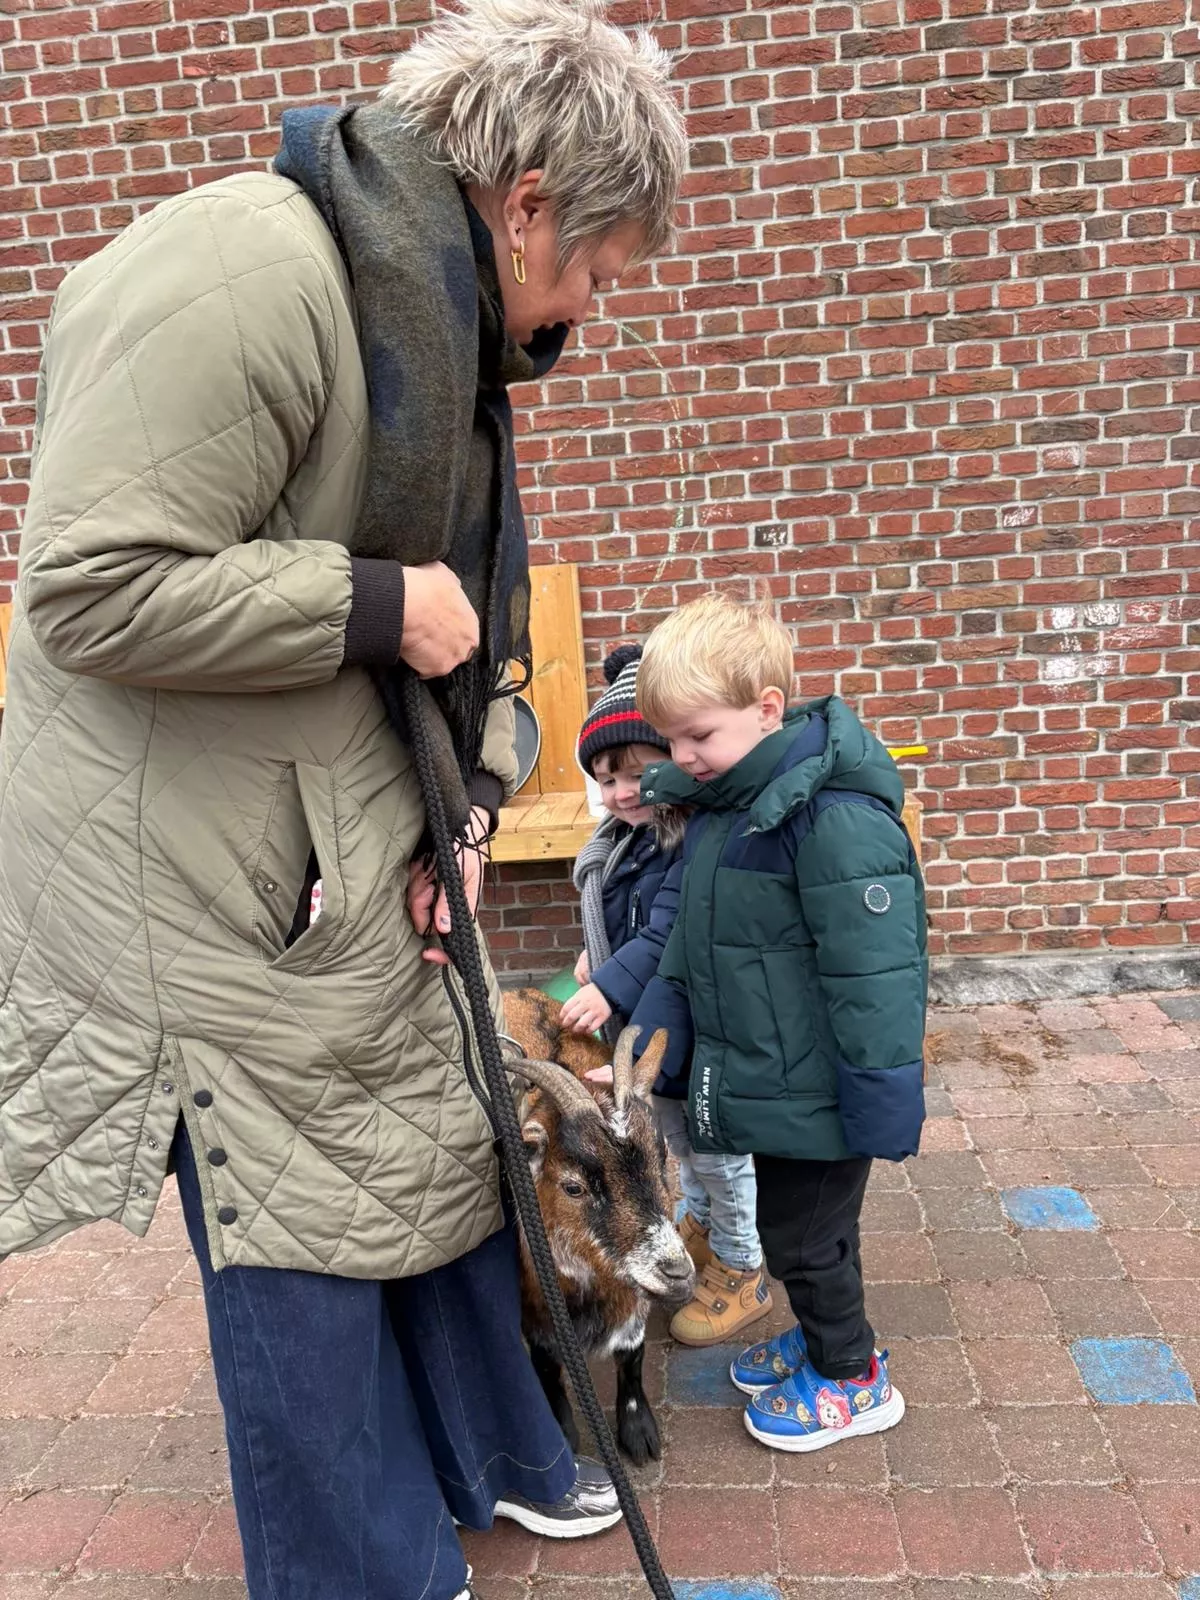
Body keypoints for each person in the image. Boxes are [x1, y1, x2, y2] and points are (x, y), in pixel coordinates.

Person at [0, 2, 686, 1595]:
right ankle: (355, 1567)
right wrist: (377, 604)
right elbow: (89, 589)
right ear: (527, 205)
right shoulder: (241, 274)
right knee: (298, 1217)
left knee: (431, 1132)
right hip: (190, 864)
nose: (589, 312)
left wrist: (469, 809)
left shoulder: (426, 323)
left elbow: (474, 637)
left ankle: (487, 1459)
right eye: (595, 269)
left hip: (332, 819)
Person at [630, 592, 927, 1453]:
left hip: (825, 1092)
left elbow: (877, 977)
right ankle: (828, 1338)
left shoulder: (833, 821)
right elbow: (692, 946)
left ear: (766, 710)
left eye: (698, 736)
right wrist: (654, 1037)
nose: (682, 758)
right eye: (670, 741)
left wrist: (881, 1098)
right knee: (798, 1232)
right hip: (772, 1078)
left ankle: (853, 1376)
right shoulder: (732, 811)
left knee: (808, 1239)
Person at [562, 643, 772, 1347]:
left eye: (635, 772)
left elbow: (668, 933)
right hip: (659, 1029)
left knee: (718, 1151)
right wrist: (596, 955)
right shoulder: (627, 844)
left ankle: (742, 1266)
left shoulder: (690, 844)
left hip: (702, 1028)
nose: (622, 792)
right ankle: (705, 1229)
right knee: (679, 1142)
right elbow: (627, 925)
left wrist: (610, 985)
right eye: (605, 778)